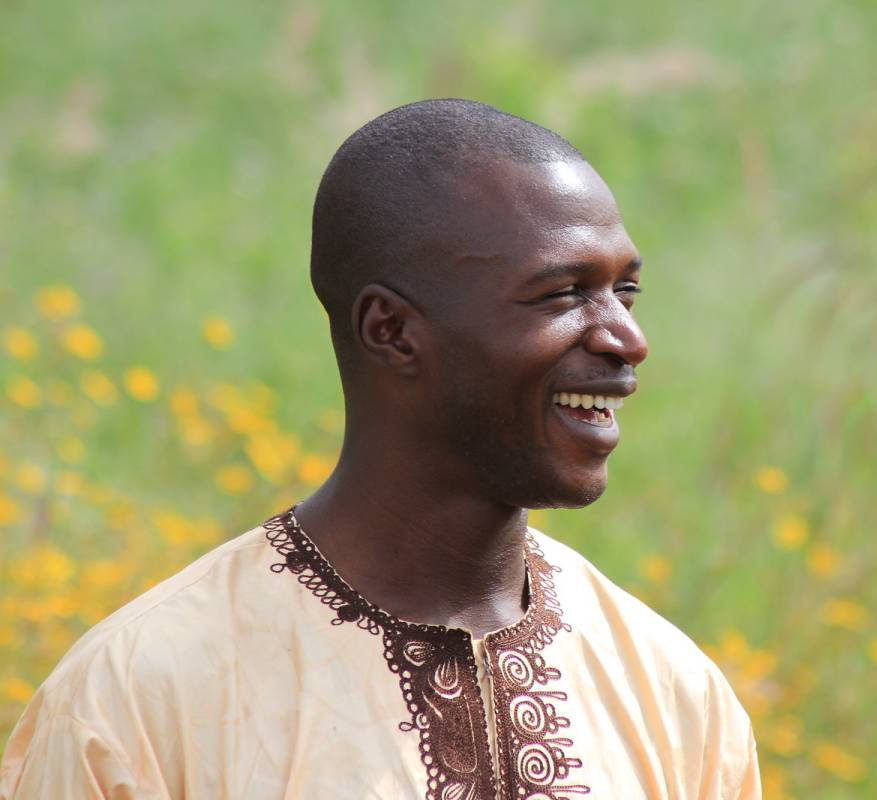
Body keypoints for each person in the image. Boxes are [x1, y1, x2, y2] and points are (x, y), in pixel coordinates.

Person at [0, 99, 761, 799]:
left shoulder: (670, 693)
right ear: (391, 331)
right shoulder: (137, 704)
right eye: (563, 294)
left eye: (624, 292)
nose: (627, 340)